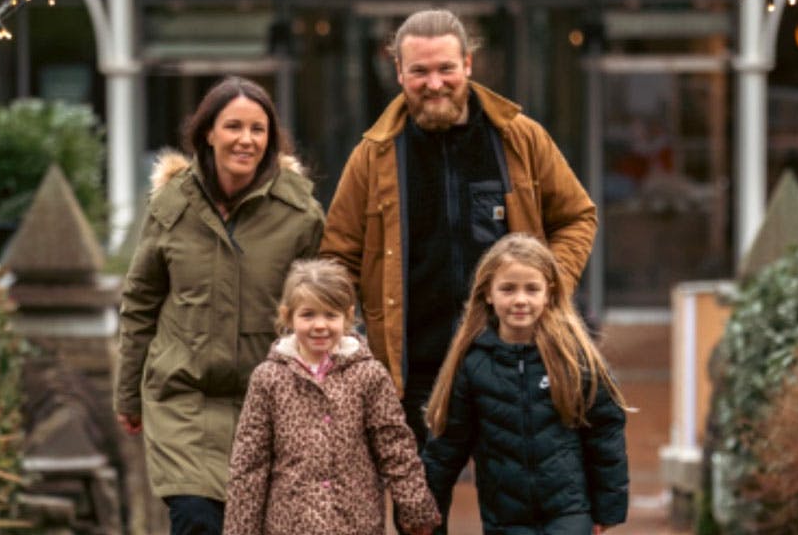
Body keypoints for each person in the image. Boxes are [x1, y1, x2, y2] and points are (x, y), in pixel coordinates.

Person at [320, 8, 598, 446]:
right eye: (420, 72)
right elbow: (338, 255)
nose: (435, 84)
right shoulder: (372, 156)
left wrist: (544, 286)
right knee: (423, 508)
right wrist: (343, 337)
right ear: (398, 73)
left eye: (446, 68)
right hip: (413, 370)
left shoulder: (520, 138)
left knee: (517, 500)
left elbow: (577, 216)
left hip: (512, 357)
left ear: (468, 64)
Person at [115, 76, 326, 535]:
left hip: (269, 403)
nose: (245, 140)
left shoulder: (299, 215)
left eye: (258, 129)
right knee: (197, 519)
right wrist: (128, 392)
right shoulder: (172, 206)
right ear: (207, 132)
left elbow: (323, 308)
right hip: (184, 399)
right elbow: (141, 301)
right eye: (233, 126)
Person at [421, 233, 629, 535]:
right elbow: (446, 446)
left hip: (569, 513)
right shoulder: (473, 364)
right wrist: (426, 511)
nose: (520, 299)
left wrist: (608, 506)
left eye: (532, 289)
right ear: (489, 293)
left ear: (549, 292)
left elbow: (605, 431)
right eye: (508, 289)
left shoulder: (573, 357)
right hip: (505, 519)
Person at [223, 259, 441, 535]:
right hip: (289, 524)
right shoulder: (268, 378)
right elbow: (249, 462)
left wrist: (415, 507)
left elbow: (394, 445)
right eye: (308, 315)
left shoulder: (368, 375)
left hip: (354, 522)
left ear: (348, 317)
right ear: (288, 316)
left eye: (330, 315)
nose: (320, 325)